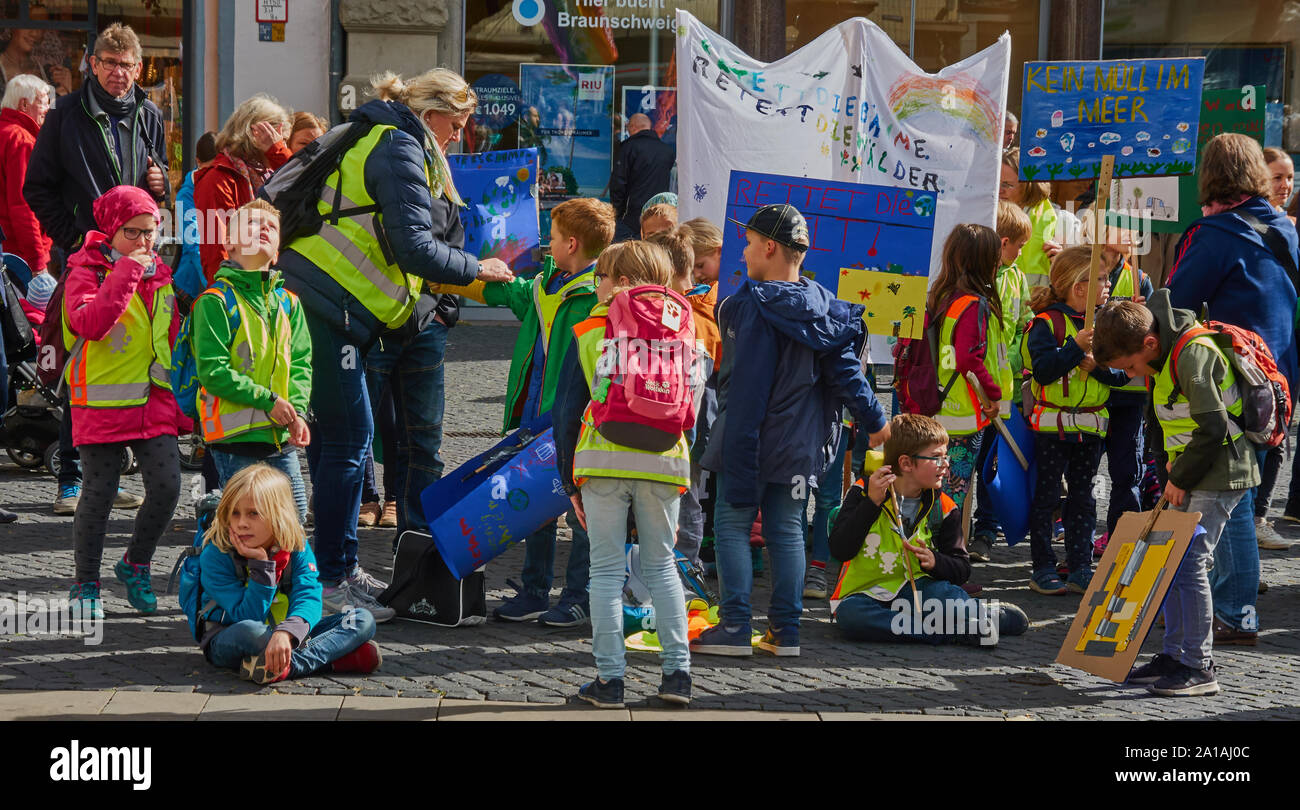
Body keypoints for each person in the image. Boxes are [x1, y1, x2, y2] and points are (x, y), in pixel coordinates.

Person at [277, 67, 513, 620]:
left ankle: (339, 566)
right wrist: (480, 269)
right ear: (431, 114)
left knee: (350, 443)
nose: (458, 137)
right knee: (345, 443)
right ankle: (329, 579)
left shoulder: (386, 136)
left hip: (340, 305)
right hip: (326, 300)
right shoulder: (398, 146)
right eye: (455, 125)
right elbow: (416, 250)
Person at [691, 203, 889, 657]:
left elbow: (743, 389)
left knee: (732, 526)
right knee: (786, 531)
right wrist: (876, 420)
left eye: (747, 243)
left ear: (769, 246)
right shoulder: (824, 307)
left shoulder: (744, 305)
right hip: (799, 445)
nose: (742, 252)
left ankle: (737, 627)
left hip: (749, 437)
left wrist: (735, 447)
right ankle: (786, 632)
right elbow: (846, 374)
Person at [1165, 133, 1297, 644]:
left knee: (1235, 495)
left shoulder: (1216, 233)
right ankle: (1231, 603)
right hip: (1277, 377)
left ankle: (1235, 609)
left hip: (1235, 381)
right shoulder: (1281, 225)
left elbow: (1175, 304)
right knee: (1242, 488)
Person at [553, 241, 698, 707]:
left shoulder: (594, 323)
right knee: (661, 568)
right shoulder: (684, 323)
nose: (597, 285)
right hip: (666, 456)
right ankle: (678, 675)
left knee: (607, 570)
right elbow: (693, 400)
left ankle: (610, 681)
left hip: (604, 456)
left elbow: (570, 405)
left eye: (601, 277)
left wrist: (567, 477)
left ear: (616, 280)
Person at [1094, 293, 1260, 696]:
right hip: (1194, 468)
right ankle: (1174, 656)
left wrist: (1180, 476)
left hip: (1219, 472)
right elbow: (1162, 419)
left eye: (1132, 366)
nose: (1135, 374)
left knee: (1189, 563)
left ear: (1149, 343)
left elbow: (1215, 428)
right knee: (1174, 561)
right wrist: (1164, 465)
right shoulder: (1164, 351)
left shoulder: (1191, 353)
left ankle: (1198, 665)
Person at [485, 198, 613, 626]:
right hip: (536, 415)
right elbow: (506, 290)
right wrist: (460, 273)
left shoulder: (603, 292)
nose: (547, 243)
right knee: (535, 507)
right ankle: (535, 590)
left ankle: (578, 596)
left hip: (579, 420)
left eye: (553, 237)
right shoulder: (546, 284)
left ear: (571, 243)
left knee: (582, 514)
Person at [62, 186, 188, 619]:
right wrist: (128, 271)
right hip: (100, 400)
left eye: (151, 233)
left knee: (169, 487)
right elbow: (91, 323)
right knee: (99, 493)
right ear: (111, 230)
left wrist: (181, 401)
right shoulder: (85, 270)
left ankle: (136, 562)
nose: (144, 243)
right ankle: (87, 585)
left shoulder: (161, 274)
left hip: (153, 401)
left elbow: (169, 340)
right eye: (133, 232)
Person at [829, 414, 1028, 644]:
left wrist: (935, 561)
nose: (946, 465)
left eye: (946, 457)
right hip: (865, 593)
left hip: (921, 593)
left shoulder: (944, 507)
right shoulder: (864, 490)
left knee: (948, 598)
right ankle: (952, 631)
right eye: (936, 458)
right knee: (851, 616)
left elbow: (962, 568)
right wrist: (871, 504)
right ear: (906, 463)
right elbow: (840, 549)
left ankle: (974, 615)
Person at [190, 200, 318, 529]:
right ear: (228, 245)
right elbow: (213, 372)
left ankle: (282, 582)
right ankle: (226, 576)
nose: (263, 229)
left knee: (294, 523)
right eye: (251, 224)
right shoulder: (214, 301)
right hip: (235, 440)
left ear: (277, 252)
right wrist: (269, 400)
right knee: (245, 529)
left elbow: (301, 364)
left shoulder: (289, 303)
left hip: (279, 438)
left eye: (271, 227)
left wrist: (298, 411)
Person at [197, 464, 381, 684]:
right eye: (234, 513)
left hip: (286, 634)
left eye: (253, 513)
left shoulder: (296, 546)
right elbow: (247, 616)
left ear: (277, 515)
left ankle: (287, 666)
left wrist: (286, 633)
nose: (241, 523)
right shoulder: (216, 553)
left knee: (361, 619)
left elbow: (309, 597)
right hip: (230, 636)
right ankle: (333, 660)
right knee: (254, 632)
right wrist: (260, 566)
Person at [1021, 246, 1125, 595]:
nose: (1108, 285)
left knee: (1085, 498)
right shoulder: (1045, 323)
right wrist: (1075, 349)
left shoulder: (1107, 321)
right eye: (1101, 279)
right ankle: (1042, 566)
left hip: (1092, 429)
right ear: (1079, 287)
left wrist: (1098, 367)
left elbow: (1123, 376)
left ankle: (1081, 565)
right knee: (1047, 498)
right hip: (1052, 427)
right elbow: (1044, 371)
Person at [25, 23, 169, 258]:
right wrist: (73, 238)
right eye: (110, 62)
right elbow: (36, 186)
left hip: (136, 250)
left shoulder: (150, 115)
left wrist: (162, 180)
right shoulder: (62, 113)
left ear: (138, 69)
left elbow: (159, 169)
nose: (118, 72)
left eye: (125, 64)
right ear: (94, 64)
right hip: (86, 251)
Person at [969, 202, 1034, 561]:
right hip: (971, 388)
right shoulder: (975, 278)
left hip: (1003, 386)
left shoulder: (1017, 277)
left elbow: (1024, 321)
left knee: (992, 461)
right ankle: (953, 530)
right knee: (966, 459)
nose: (1022, 252)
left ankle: (985, 529)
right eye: (1019, 246)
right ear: (1004, 241)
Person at [1088, 217, 1154, 560]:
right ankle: (1079, 542)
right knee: (1083, 474)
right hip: (1091, 395)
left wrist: (1146, 309)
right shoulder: (1082, 268)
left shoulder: (1139, 276)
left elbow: (1152, 333)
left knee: (1127, 471)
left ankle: (1121, 537)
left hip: (1129, 395)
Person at [928, 224, 1004, 510]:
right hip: (962, 413)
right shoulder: (973, 305)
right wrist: (993, 394)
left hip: (934, 405)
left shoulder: (940, 295)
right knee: (950, 497)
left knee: (931, 490)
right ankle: (935, 551)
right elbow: (968, 360)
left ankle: (925, 547)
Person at [194, 94, 292, 285]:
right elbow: (216, 249)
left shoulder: (269, 172)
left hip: (272, 285)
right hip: (239, 291)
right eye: (280, 138)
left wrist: (278, 153)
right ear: (256, 133)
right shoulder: (218, 178)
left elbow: (305, 189)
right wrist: (227, 294)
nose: (282, 145)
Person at [674, 218, 724, 570]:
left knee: (690, 495)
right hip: (698, 416)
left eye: (702, 267)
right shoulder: (702, 302)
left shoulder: (712, 305)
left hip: (703, 415)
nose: (699, 277)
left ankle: (688, 567)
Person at [0, 74, 53, 275]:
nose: (48, 110)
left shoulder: (5, 131)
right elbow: (24, 205)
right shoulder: (21, 140)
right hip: (19, 256)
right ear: (24, 105)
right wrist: (37, 263)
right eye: (44, 103)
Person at [999, 149, 1061, 290]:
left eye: (1007, 185)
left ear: (1029, 185)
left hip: (1039, 307)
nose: (999, 190)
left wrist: (1064, 262)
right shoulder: (985, 216)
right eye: (998, 182)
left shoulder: (1061, 221)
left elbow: (1080, 278)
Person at [610, 112, 675, 241]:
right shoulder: (667, 151)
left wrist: (616, 214)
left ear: (633, 127)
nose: (627, 131)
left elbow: (619, 183)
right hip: (658, 215)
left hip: (630, 218)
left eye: (628, 128)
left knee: (624, 256)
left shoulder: (628, 148)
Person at [172, 130, 217, 303]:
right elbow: (193, 244)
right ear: (198, 162)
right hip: (192, 288)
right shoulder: (186, 195)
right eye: (210, 169)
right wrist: (214, 283)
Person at [1264, 147, 1295, 224]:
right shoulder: (1245, 222)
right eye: (1277, 178)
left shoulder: (1292, 222)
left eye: (1290, 177)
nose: (1286, 185)